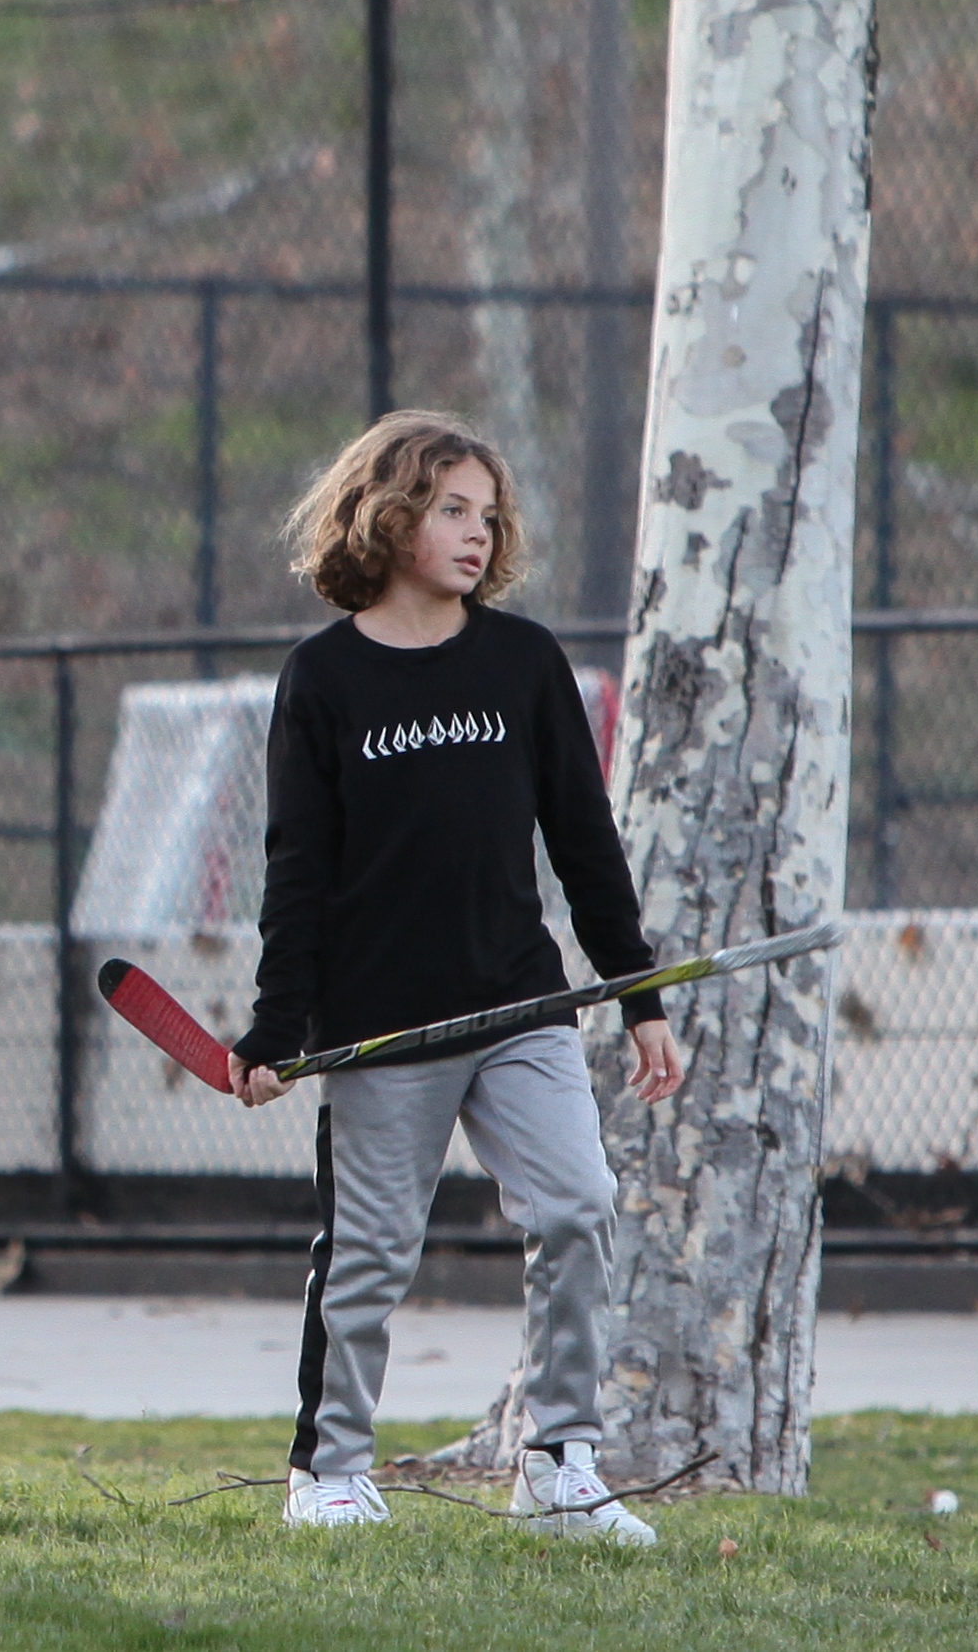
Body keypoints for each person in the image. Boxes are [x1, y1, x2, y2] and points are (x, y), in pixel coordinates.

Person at [230, 411, 681, 1544]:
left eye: (488, 514)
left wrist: (640, 996)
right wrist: (276, 1024)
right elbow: (298, 870)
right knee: (371, 1256)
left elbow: (586, 840)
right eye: (450, 510)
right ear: (385, 514)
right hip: (383, 1028)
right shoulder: (321, 679)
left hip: (522, 1008)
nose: (477, 534)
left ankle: (561, 1464)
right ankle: (328, 1469)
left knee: (580, 1206)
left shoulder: (523, 663)